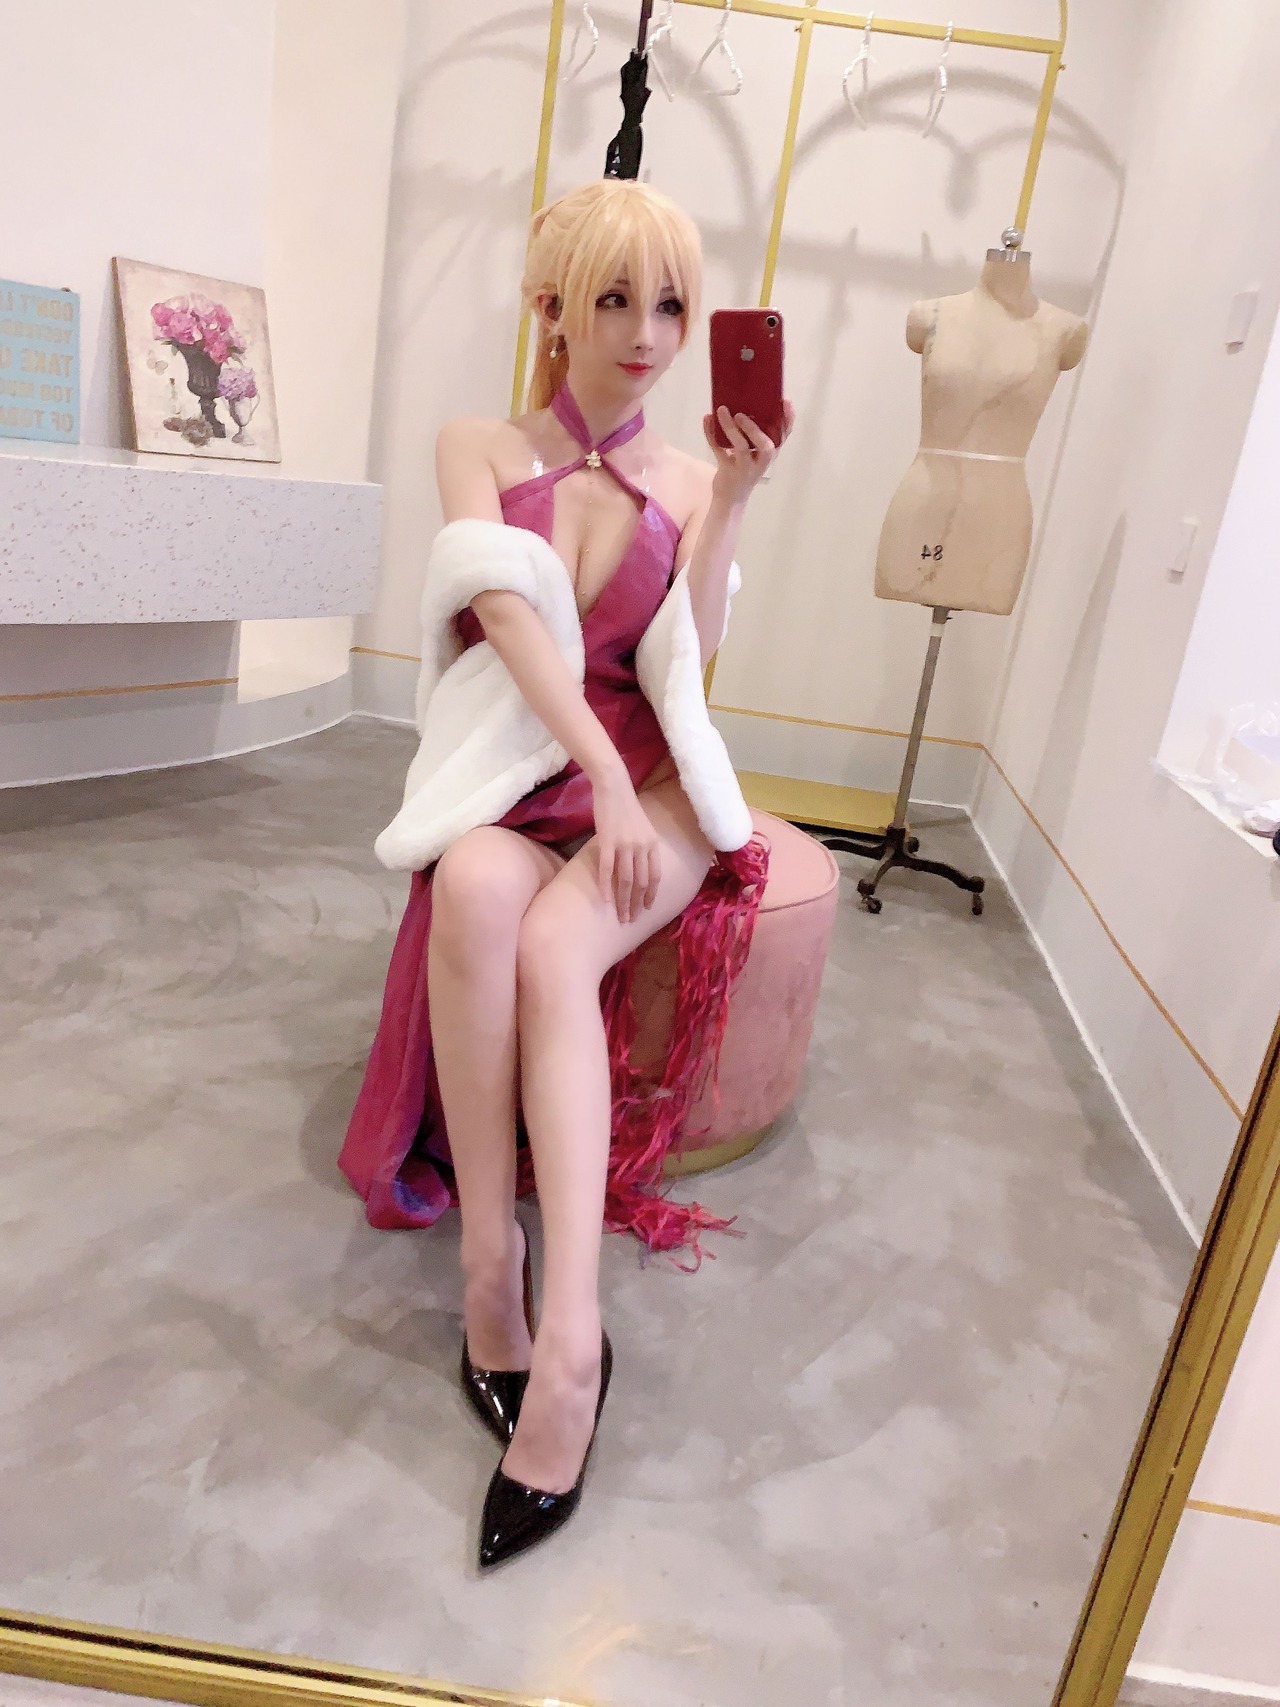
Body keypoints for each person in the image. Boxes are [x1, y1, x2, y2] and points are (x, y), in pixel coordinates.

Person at [340, 179, 792, 1568]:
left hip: (653, 778)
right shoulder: (477, 446)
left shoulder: (694, 476)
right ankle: (493, 1267)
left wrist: (733, 503)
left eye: (671, 305)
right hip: (530, 759)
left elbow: (691, 657)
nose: (647, 335)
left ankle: (576, 1339)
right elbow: (501, 614)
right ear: (551, 309)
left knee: (552, 946)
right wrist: (585, 766)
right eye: (613, 300)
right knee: (480, 891)